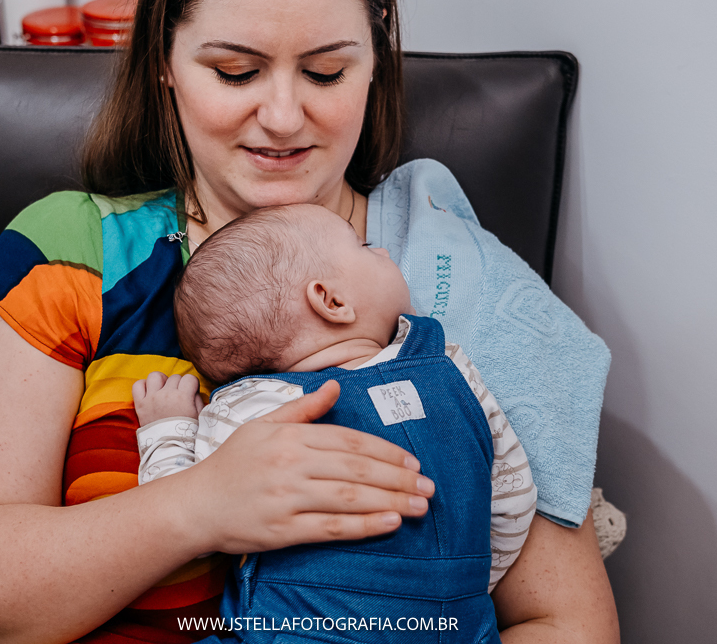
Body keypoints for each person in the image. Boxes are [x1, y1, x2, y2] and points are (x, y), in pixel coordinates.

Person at [0, 0, 620, 643]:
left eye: (326, 73)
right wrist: (198, 508)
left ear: (375, 59)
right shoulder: (76, 253)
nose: (281, 118)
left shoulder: (456, 279)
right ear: (166, 61)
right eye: (236, 72)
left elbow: (567, 623)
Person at [132, 203, 536, 641]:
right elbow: (514, 500)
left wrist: (167, 427)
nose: (384, 251)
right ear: (332, 301)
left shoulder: (250, 409)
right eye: (365, 247)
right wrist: (457, 590)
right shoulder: (452, 368)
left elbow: (185, 514)